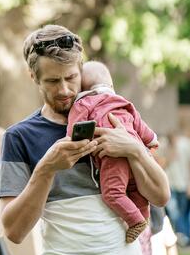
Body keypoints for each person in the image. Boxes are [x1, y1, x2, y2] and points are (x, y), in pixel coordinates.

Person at [0, 25, 170, 255]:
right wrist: (46, 169)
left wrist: (133, 149)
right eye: (52, 81)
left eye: (71, 78)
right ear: (33, 78)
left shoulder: (117, 117)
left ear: (82, 70)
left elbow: (161, 194)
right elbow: (13, 230)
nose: (64, 90)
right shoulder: (20, 137)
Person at [66, 61, 159, 243]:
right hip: (135, 156)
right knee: (134, 189)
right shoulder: (123, 102)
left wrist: (72, 138)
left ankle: (136, 221)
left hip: (112, 158)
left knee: (113, 193)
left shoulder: (85, 102)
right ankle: (143, 215)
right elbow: (142, 127)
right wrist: (151, 140)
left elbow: (74, 131)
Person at [161, 134, 190, 247]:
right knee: (174, 213)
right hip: (169, 185)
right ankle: (181, 237)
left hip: (184, 184)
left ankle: (187, 239)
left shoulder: (186, 143)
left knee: (185, 213)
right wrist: (170, 156)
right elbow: (160, 165)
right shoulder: (162, 144)